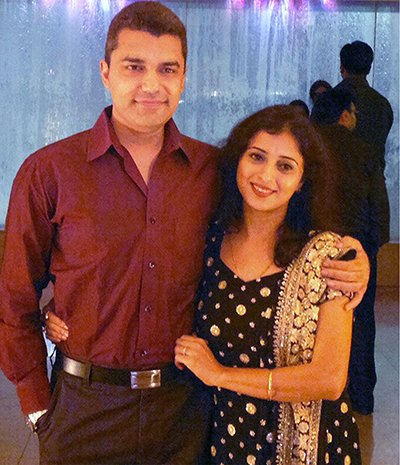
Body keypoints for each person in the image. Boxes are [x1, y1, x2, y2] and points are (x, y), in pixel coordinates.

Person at [0, 2, 369, 465]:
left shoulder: (212, 172)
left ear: (183, 79)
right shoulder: (49, 171)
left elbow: (276, 220)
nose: (151, 84)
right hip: (83, 407)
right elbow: (14, 297)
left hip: (184, 410)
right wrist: (37, 404)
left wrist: (352, 255)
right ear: (105, 72)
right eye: (134, 66)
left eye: (167, 69)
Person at [174, 105, 362, 465]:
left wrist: (221, 375)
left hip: (308, 449)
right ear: (238, 160)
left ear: (302, 180)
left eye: (285, 166)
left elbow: (329, 378)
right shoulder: (210, 243)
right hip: (228, 440)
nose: (266, 175)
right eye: (256, 157)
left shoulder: (325, 256)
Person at [311, 88, 390, 415]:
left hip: (314, 246)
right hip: (358, 250)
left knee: (314, 319)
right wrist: (375, 244)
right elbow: (379, 205)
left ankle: (320, 392)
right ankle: (362, 396)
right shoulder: (365, 151)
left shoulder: (309, 148)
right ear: (345, 115)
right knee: (361, 319)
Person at [334, 40, 393, 172]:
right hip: (372, 180)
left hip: (335, 179)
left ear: (342, 67)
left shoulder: (327, 100)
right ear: (369, 68)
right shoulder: (382, 104)